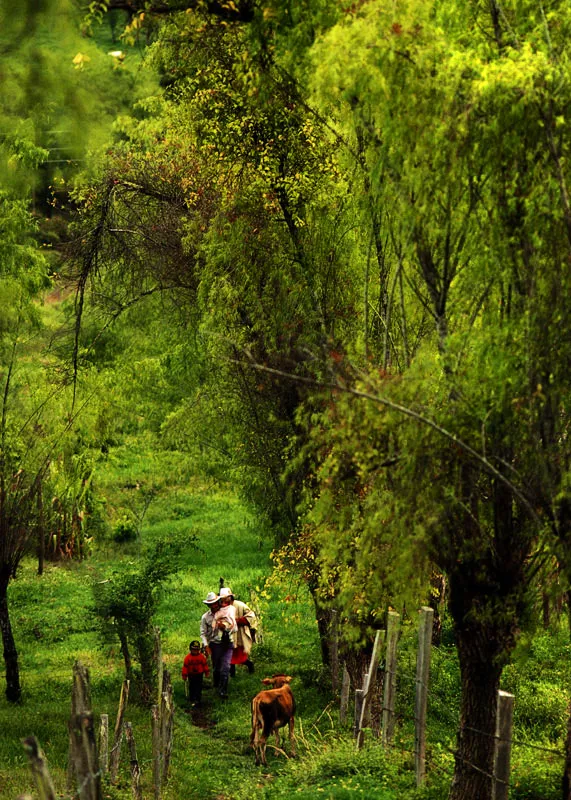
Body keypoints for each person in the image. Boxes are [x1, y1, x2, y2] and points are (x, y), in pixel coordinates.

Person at [199, 590, 236, 699]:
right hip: (215, 645)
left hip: (227, 643)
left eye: (215, 603)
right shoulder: (205, 617)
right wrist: (206, 646)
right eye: (211, 604)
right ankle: (216, 682)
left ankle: (223, 691)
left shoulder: (227, 612)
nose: (214, 606)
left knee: (226, 666)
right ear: (208, 605)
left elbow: (235, 627)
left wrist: (226, 628)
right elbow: (203, 633)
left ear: (218, 602)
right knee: (217, 667)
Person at [218, 587, 257, 675]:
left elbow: (251, 616)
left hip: (240, 633)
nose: (225, 601)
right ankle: (232, 674)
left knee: (240, 655)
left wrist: (238, 621)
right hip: (228, 634)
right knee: (229, 654)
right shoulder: (222, 608)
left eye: (227, 598)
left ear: (230, 597)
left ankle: (250, 666)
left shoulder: (240, 605)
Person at [181, 640, 209, 706]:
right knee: (192, 686)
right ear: (190, 649)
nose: (195, 651)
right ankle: (192, 699)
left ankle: (198, 699)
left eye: (197, 650)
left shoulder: (201, 657)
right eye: (193, 650)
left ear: (199, 650)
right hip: (191, 675)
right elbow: (185, 667)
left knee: (199, 687)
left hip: (199, 674)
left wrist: (206, 672)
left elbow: (205, 665)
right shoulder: (188, 658)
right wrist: (184, 675)